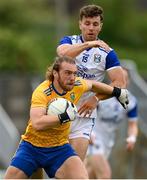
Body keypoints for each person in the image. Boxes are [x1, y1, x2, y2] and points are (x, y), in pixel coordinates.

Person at [4, 56, 129, 179]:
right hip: (32, 147)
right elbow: (37, 122)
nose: (72, 78)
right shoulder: (42, 91)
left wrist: (117, 92)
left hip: (59, 148)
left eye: (75, 73)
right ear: (55, 73)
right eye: (68, 73)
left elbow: (93, 85)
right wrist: (64, 117)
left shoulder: (76, 84)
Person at [57, 4, 126, 161]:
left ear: (100, 27)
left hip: (84, 114)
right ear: (80, 24)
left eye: (95, 24)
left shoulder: (107, 53)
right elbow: (63, 54)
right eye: (87, 23)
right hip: (58, 108)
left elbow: (120, 83)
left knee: (75, 164)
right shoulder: (69, 41)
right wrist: (90, 44)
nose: (91, 28)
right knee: (49, 162)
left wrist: (96, 99)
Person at [85, 68, 138, 179]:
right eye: (120, 78)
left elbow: (133, 124)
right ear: (113, 79)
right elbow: (85, 114)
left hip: (108, 141)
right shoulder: (100, 95)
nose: (123, 81)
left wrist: (132, 138)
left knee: (89, 174)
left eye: (125, 79)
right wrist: (87, 133)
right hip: (94, 139)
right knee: (105, 174)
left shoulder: (131, 101)